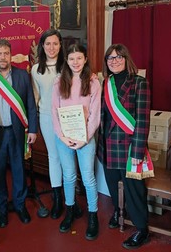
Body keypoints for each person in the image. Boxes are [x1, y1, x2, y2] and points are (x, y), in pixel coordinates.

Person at [0, 39, 38, 228]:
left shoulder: (22, 76)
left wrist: (33, 129)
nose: (3, 57)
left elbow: (30, 105)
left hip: (17, 132)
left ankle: (20, 205)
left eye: (6, 53)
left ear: (11, 55)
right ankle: (2, 207)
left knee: (19, 169)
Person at [97, 43, 151, 249]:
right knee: (112, 184)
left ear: (127, 59)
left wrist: (138, 151)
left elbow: (143, 120)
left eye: (119, 57)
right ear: (106, 62)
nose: (115, 61)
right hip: (107, 145)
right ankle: (119, 211)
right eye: (110, 58)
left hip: (128, 147)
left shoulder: (139, 83)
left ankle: (141, 229)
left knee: (133, 188)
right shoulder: (105, 83)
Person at [52, 43, 101, 240]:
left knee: (88, 177)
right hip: (63, 138)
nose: (75, 62)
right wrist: (63, 137)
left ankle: (93, 215)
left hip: (85, 138)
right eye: (71, 59)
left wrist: (84, 139)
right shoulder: (59, 82)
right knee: (69, 176)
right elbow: (54, 112)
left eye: (79, 58)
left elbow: (95, 114)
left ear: (85, 59)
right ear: (66, 60)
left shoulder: (93, 82)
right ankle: (70, 210)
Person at [31, 29, 65, 219]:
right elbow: (36, 97)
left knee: (68, 156)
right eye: (48, 44)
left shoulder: (68, 66)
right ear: (42, 46)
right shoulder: (36, 69)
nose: (52, 48)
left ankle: (71, 198)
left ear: (61, 45)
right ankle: (57, 198)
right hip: (46, 116)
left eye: (55, 43)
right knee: (54, 157)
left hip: (67, 117)